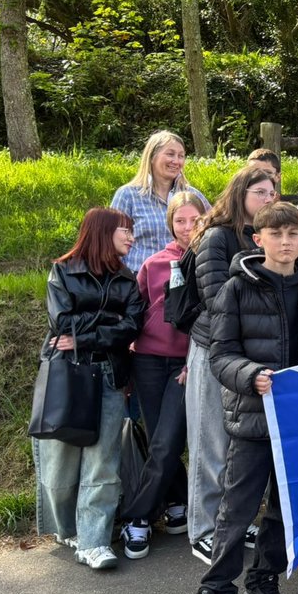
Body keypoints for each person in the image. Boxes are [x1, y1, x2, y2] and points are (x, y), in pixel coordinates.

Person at [178, 202, 298, 594]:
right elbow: (219, 356)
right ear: (258, 240)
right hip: (253, 418)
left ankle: (264, 580)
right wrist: (251, 375)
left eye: (292, 235)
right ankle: (216, 593)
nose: (285, 242)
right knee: (236, 510)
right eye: (275, 235)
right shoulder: (235, 290)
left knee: (282, 508)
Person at [36, 207, 145, 570]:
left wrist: (90, 331)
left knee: (103, 463)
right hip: (66, 375)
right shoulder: (63, 271)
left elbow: (131, 327)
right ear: (102, 232)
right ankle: (67, 529)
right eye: (124, 231)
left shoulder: (128, 279)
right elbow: (61, 322)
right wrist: (107, 320)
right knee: (60, 461)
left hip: (111, 375)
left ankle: (94, 542)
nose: (131, 237)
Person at [184, 167, 277, 563]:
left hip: (250, 355)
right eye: (260, 192)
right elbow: (215, 297)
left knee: (236, 444)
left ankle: (229, 521)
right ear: (240, 194)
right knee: (210, 443)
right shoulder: (216, 237)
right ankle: (202, 529)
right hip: (213, 350)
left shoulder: (263, 238)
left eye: (272, 192)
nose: (268, 198)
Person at [119, 192, 207, 558]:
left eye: (194, 220)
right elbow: (135, 315)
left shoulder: (211, 261)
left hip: (185, 363)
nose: (187, 228)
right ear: (170, 223)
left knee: (169, 439)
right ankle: (175, 504)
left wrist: (194, 360)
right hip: (148, 361)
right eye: (180, 221)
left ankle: (136, 516)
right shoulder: (154, 265)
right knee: (159, 438)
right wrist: (126, 363)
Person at [111, 130, 210, 273]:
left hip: (185, 280)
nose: (176, 161)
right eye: (170, 154)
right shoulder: (128, 195)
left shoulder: (193, 196)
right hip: (138, 283)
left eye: (181, 156)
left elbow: (213, 233)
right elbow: (112, 243)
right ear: (152, 157)